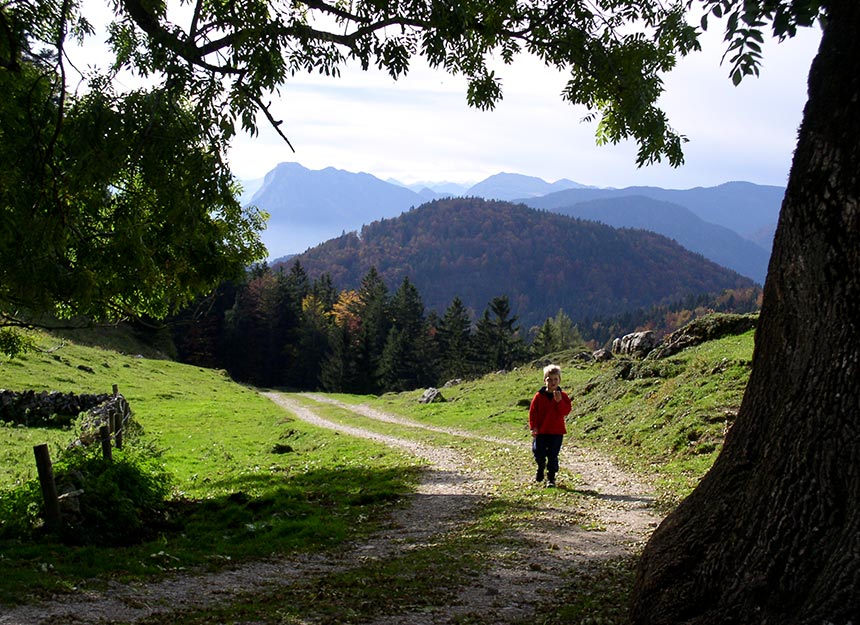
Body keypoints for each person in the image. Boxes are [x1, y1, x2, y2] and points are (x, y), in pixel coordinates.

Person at [529, 364, 572, 487]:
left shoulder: (562, 396)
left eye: (555, 379)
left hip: (556, 432)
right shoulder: (538, 396)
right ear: (545, 380)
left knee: (553, 456)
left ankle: (551, 479)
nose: (553, 382)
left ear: (559, 380)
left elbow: (565, 411)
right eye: (549, 379)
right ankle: (540, 467)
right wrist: (533, 427)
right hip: (541, 431)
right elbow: (533, 413)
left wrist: (559, 402)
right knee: (538, 452)